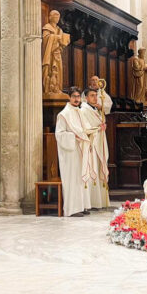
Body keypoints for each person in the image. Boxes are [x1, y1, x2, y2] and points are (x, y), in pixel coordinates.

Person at [54, 87, 92, 217]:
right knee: (72, 179)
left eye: (78, 96)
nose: (77, 99)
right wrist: (73, 137)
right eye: (74, 96)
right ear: (69, 97)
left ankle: (82, 205)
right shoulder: (64, 114)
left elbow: (85, 128)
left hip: (80, 149)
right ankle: (72, 209)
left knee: (81, 178)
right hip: (70, 152)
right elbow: (59, 134)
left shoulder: (80, 112)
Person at [81, 88, 110, 208]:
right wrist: (99, 128)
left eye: (95, 95)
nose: (94, 98)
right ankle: (92, 202)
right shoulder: (84, 110)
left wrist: (102, 126)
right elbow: (85, 128)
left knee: (99, 169)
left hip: (99, 142)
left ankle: (100, 201)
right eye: (92, 95)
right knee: (93, 169)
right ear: (86, 98)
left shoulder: (96, 109)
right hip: (92, 144)